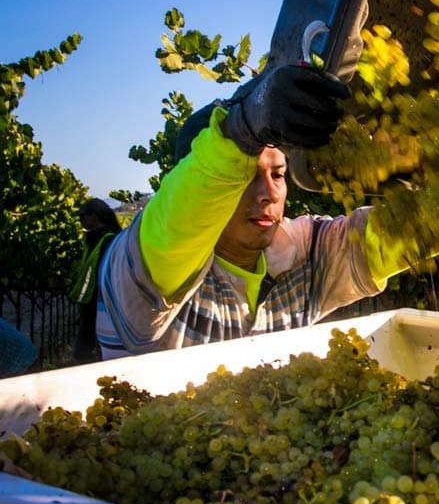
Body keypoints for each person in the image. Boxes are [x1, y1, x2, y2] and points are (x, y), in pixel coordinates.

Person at [96, 65, 418, 359]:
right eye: (247, 176)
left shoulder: (301, 257)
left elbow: (408, 229)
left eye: (277, 175)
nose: (270, 193)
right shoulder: (151, 265)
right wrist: (243, 126)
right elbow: (181, 215)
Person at [68, 197, 122, 363]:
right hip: (89, 301)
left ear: (94, 216)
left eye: (83, 216)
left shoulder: (108, 239)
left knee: (87, 349)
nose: (81, 220)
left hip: (99, 301)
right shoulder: (93, 239)